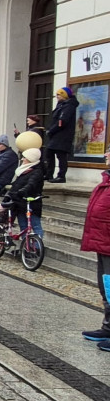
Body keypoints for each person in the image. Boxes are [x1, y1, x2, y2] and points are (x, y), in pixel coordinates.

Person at [80, 148, 110, 352]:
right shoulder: (106, 179)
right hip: (103, 241)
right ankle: (108, 327)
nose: (106, 155)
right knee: (106, 287)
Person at [0, 147, 45, 238]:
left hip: (31, 203)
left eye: (25, 157)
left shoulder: (37, 172)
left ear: (30, 159)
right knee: (23, 226)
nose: (22, 159)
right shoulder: (24, 170)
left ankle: (37, 249)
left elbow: (31, 184)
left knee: (35, 226)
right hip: (19, 203)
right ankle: (25, 248)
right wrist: (8, 195)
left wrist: (22, 191)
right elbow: (16, 185)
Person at [45, 86, 79, 183]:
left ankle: (61, 176)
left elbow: (62, 121)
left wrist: (52, 130)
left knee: (61, 156)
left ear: (65, 95)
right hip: (55, 135)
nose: (57, 97)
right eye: (57, 95)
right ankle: (49, 174)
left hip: (63, 135)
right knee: (49, 153)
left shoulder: (69, 106)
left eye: (59, 95)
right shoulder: (60, 105)